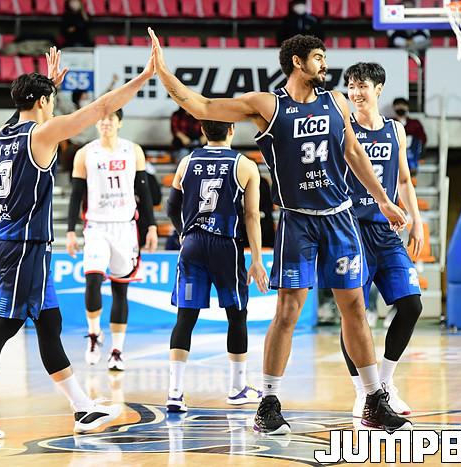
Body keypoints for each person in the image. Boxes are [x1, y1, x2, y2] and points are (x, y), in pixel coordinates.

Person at [150, 29, 411, 434]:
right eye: (319, 58)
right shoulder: (268, 105)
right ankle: (268, 403)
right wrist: (163, 73)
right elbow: (202, 105)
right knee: (287, 311)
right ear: (297, 62)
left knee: (355, 309)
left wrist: (383, 200)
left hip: (339, 216)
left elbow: (353, 152)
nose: (325, 65)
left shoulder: (335, 101)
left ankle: (373, 399)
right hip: (297, 219)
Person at [0, 45, 156, 439]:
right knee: (6, 322)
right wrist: (144, 77)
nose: (54, 106)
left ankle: (83, 408)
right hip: (26, 244)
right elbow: (101, 107)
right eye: (52, 100)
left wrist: (49, 85)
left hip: (13, 241)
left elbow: (25, 110)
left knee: (49, 321)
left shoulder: (3, 134)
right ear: (41, 102)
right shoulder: (42, 134)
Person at [163, 120, 269, 412]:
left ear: (202, 130)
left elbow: (171, 207)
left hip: (193, 244)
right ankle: (237, 388)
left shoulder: (186, 162)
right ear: (231, 130)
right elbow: (252, 216)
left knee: (185, 317)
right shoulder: (245, 165)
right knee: (236, 315)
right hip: (225, 246)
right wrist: (257, 259)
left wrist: (183, 232)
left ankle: (174, 392)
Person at [341, 62, 424, 418]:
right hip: (351, 230)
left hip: (386, 233)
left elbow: (403, 180)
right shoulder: (343, 128)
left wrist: (416, 222)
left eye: (362, 86)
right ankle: (363, 392)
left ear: (379, 89)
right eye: (351, 86)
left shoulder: (396, 130)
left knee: (411, 305)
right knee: (354, 312)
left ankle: (385, 384)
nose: (355, 92)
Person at [66, 108, 159, 372]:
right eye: (102, 119)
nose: (105, 122)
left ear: (119, 123)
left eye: (110, 119)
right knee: (92, 279)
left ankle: (117, 350)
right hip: (96, 226)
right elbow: (76, 194)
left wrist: (151, 226)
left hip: (125, 227)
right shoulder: (85, 153)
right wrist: (70, 230)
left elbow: (144, 192)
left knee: (120, 289)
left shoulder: (133, 151)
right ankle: (94, 333)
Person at [392, 97, 426, 176]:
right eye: (398, 105)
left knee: (412, 141)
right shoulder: (389, 122)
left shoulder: (415, 123)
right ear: (394, 108)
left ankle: (411, 169)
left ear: (407, 107)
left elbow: (422, 139)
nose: (400, 108)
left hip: (411, 149)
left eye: (403, 105)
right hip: (396, 148)